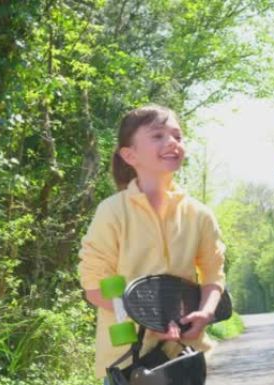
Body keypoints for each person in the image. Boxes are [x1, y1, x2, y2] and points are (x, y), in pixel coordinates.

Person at [78, 105, 226, 382]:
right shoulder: (112, 212)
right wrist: (148, 322)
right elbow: (94, 288)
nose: (172, 142)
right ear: (129, 155)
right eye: (157, 136)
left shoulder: (200, 214)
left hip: (186, 357)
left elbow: (213, 275)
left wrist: (205, 313)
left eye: (177, 136)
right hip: (125, 362)